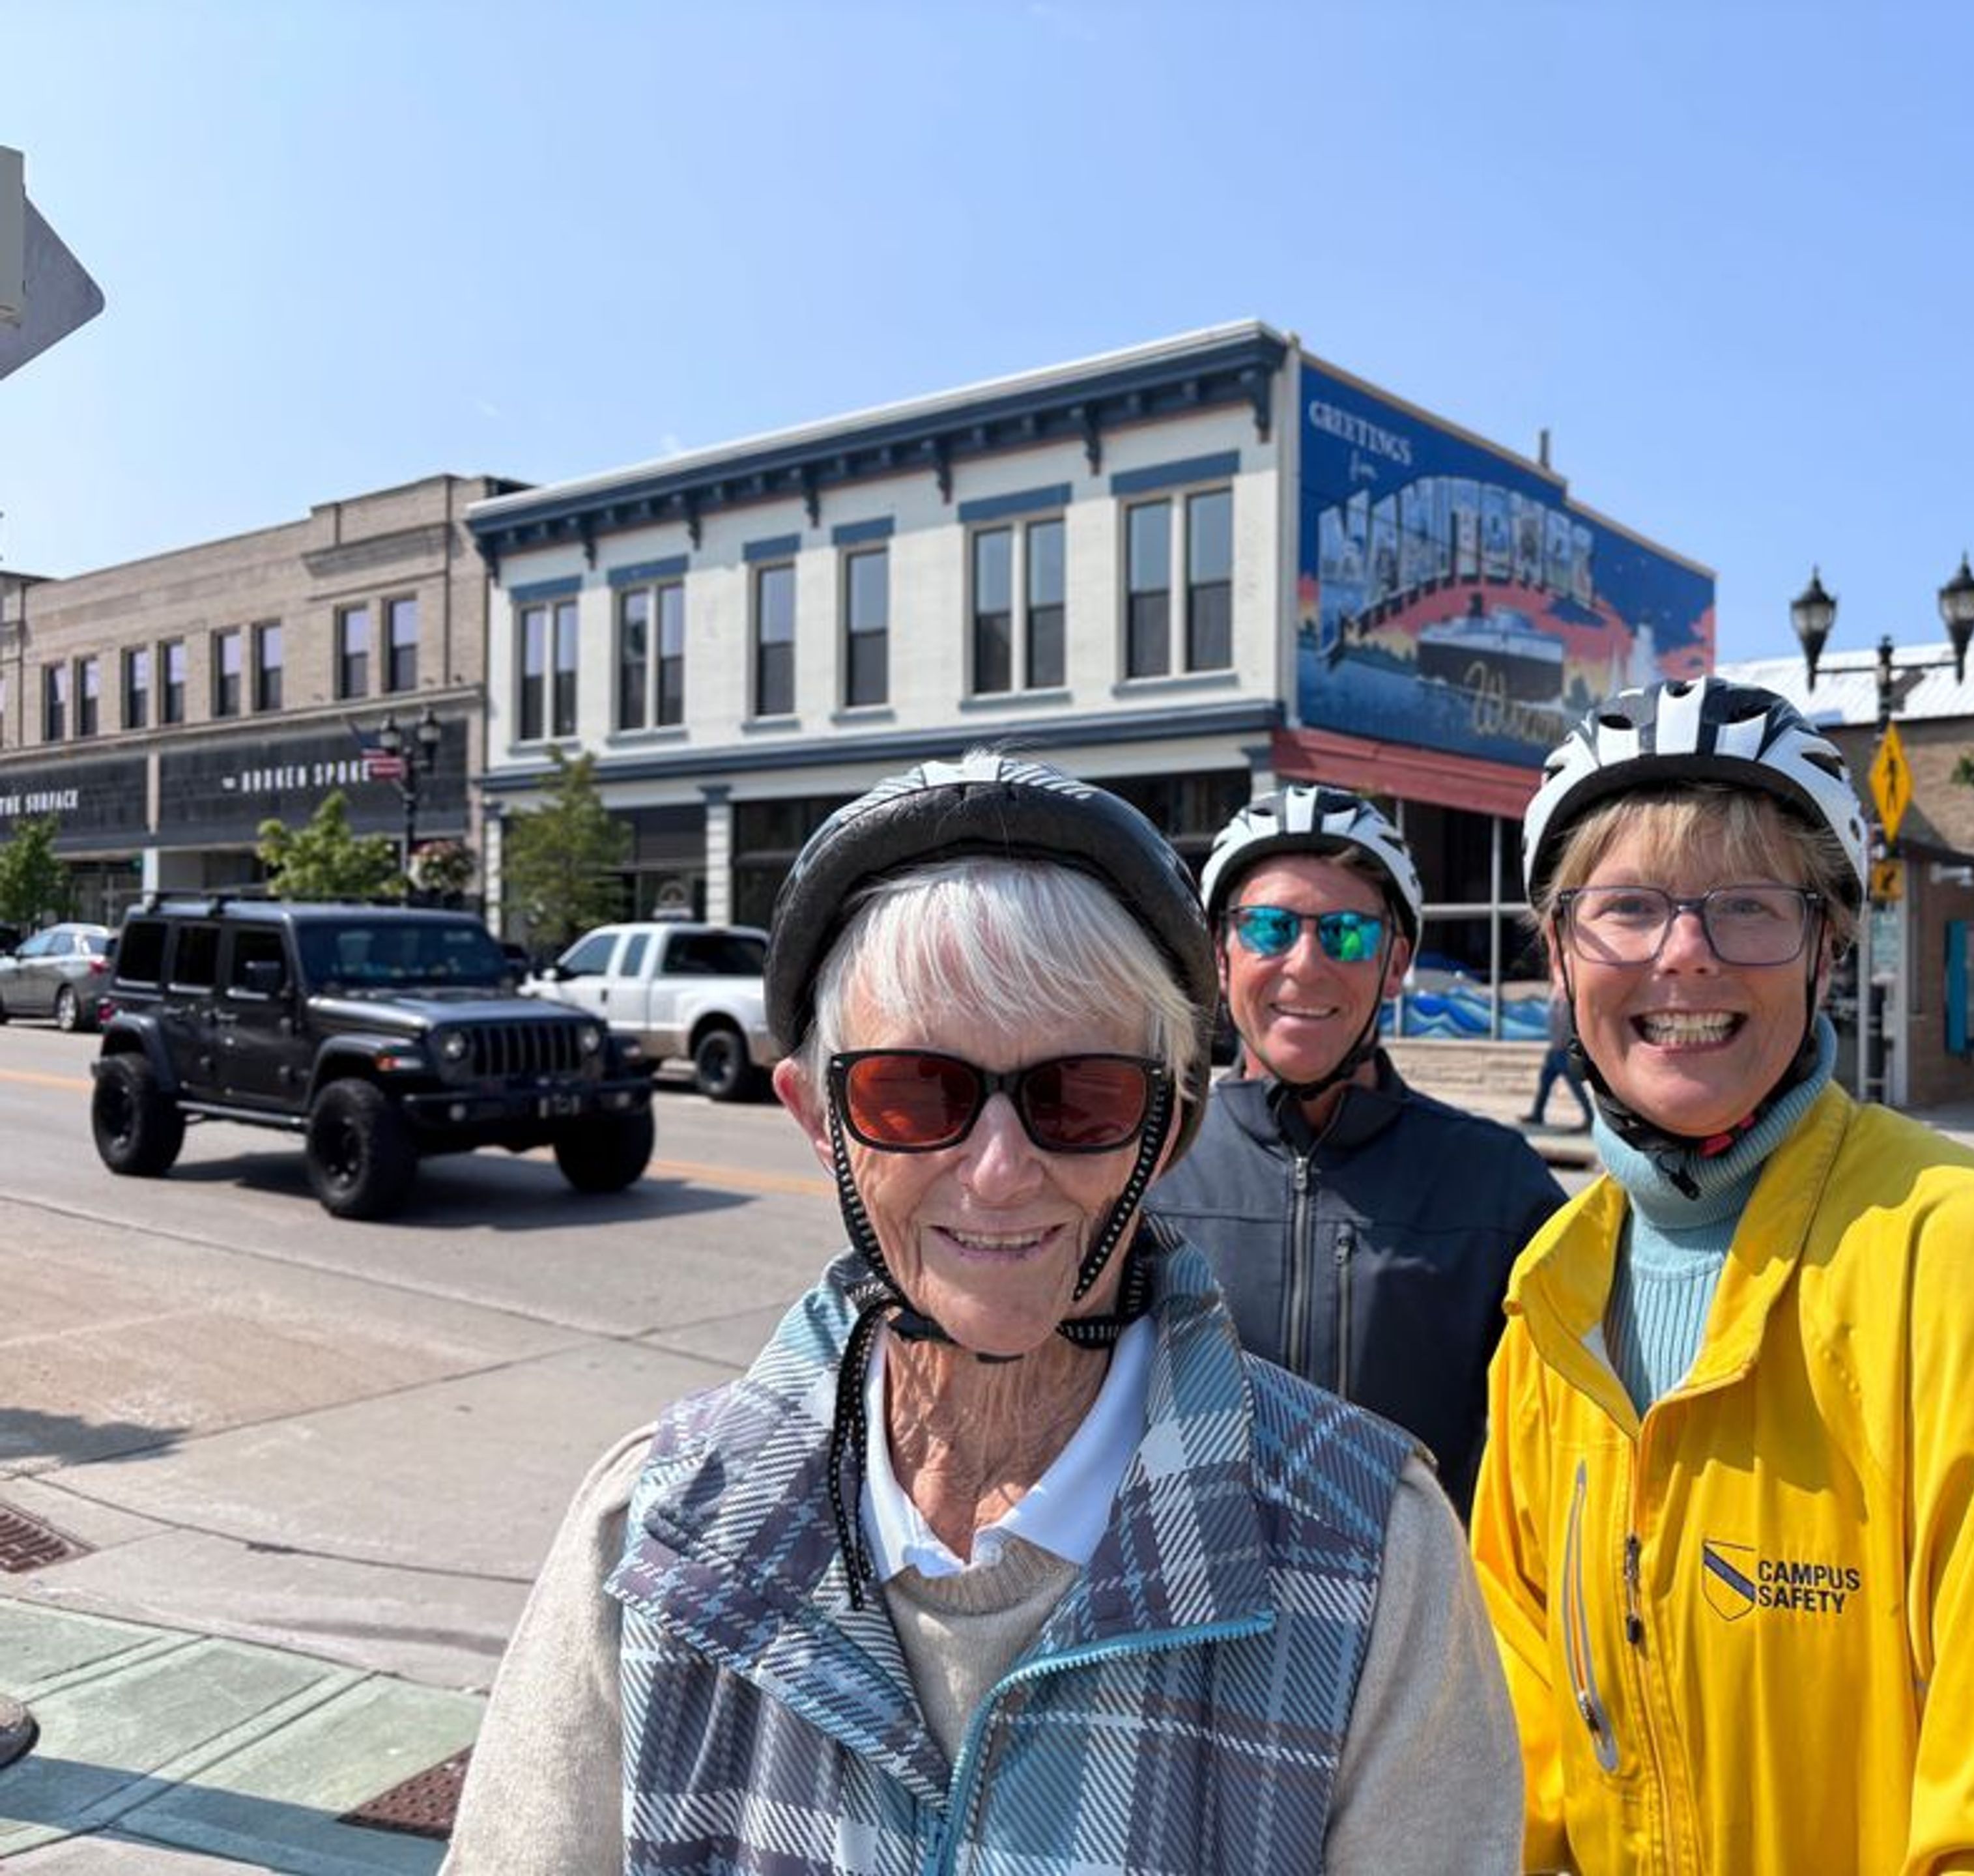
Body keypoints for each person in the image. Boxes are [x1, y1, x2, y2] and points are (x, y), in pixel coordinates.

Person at [446, 753, 1522, 1875]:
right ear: (820, 1119)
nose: (1001, 1171)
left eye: (1083, 1096)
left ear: (1173, 1123)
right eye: (913, 1093)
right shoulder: (652, 1534)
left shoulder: (1375, 1558)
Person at [1469, 680, 1974, 1873]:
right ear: (1563, 957)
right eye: (1625, 909)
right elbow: (1520, 1742)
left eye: (1747, 907)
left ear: (1827, 948)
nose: (1683, 955)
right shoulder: (1553, 1296)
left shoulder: (1970, 1266)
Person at [1147, 784, 1563, 1511]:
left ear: (1395, 963)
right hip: (1190, 1612)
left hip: (1418, 1615)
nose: (1305, 964)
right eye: (1270, 929)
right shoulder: (1144, 1168)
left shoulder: (1499, 1187)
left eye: (1346, 933)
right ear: (1221, 954)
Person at [1518, 977, 1595, 1131]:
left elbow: (1567, 1023)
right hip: (1554, 1048)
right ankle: (1538, 1114)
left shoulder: (1571, 995)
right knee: (1545, 1082)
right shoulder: (1556, 992)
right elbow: (1553, 1020)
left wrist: (1565, 1044)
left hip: (1563, 1048)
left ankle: (1590, 1118)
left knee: (1574, 1085)